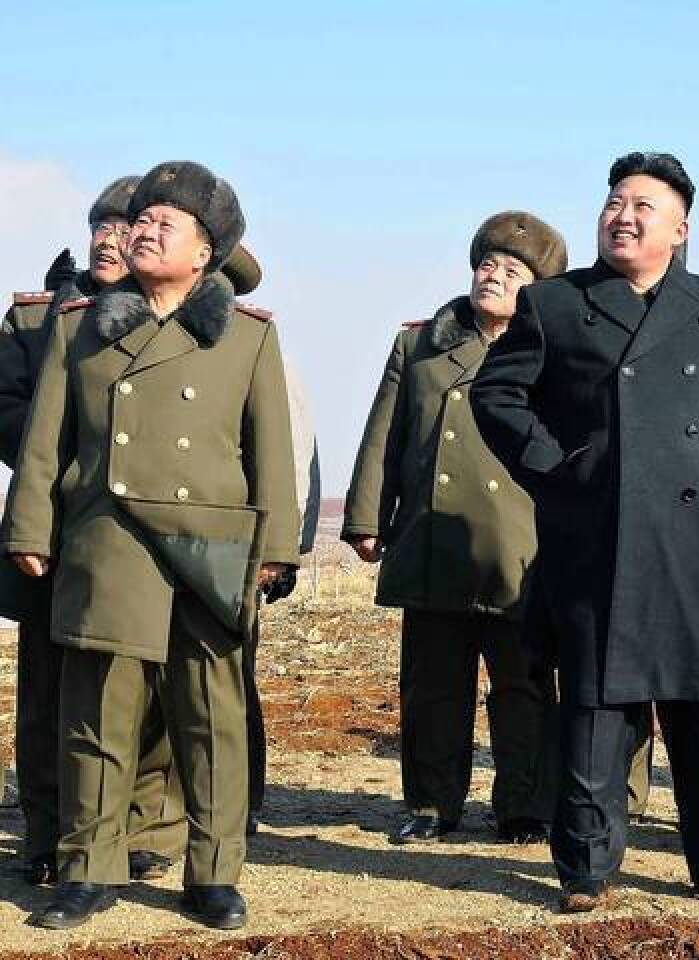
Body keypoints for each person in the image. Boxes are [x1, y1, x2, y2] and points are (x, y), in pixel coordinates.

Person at [471, 151, 699, 912]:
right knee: (597, 708)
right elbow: (498, 395)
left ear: (679, 229)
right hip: (599, 535)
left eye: (643, 206)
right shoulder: (554, 304)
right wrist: (560, 466)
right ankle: (586, 871)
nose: (623, 215)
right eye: (614, 202)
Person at [2, 161, 299, 930]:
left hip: (209, 550)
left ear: (206, 253)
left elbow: (271, 452)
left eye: (168, 222)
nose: (145, 229)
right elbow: (45, 443)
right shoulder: (78, 328)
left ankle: (214, 873)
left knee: (211, 718)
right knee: (96, 714)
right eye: (142, 218)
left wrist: (277, 550)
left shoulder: (248, 337)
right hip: (108, 544)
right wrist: (31, 528)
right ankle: (87, 869)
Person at [343, 212, 566, 844]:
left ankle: (524, 805)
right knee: (432, 686)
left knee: (523, 685)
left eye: (511, 270)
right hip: (431, 537)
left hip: (519, 544)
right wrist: (366, 516)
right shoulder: (420, 345)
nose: (492, 276)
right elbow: (384, 433)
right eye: (486, 264)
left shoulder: (549, 351)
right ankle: (432, 804)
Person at [0, 177, 186, 887]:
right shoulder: (37, 318)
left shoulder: (177, 320)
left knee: (152, 689)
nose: (111, 237)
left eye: (127, 224)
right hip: (55, 524)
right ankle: (49, 832)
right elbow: (7, 406)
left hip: (147, 531)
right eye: (102, 225)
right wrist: (74, 447)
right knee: (51, 691)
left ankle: (145, 828)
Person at [218, 242, 322, 834]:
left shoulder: (258, 347)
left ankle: (241, 803)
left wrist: (285, 552)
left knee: (231, 681)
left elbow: (291, 450)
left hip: (235, 548)